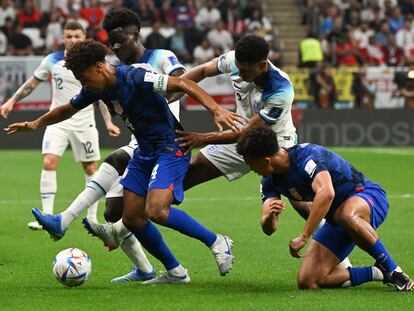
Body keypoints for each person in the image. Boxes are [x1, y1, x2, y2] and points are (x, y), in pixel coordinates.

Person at [83, 34, 350, 270]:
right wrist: (169, 92)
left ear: (263, 66)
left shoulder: (281, 91)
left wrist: (202, 137)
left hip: (274, 145)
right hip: (237, 137)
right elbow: (202, 71)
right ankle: (123, 229)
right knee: (175, 183)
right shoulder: (235, 60)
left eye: (247, 71)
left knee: (301, 200)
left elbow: (249, 133)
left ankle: (338, 247)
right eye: (239, 69)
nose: (241, 74)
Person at [5, 39, 242, 284]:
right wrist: (35, 123)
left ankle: (216, 241)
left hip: (170, 148)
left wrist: (215, 109)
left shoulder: (135, 77)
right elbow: (68, 108)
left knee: (157, 210)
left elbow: (182, 82)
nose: (84, 84)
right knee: (131, 218)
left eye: (84, 77)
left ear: (99, 67)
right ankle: (175, 272)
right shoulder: (95, 88)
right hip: (143, 152)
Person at [29, 8, 190, 283]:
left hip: (164, 138)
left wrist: (160, 90)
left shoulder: (159, 57)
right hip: (141, 138)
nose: (115, 46)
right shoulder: (117, 70)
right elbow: (97, 97)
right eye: (111, 41)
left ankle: (63, 220)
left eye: (119, 39)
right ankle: (144, 268)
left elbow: (182, 80)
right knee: (114, 211)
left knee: (118, 169)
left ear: (135, 35)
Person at [236, 125, 413, 291]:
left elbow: (326, 193)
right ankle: (378, 272)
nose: (250, 168)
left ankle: (394, 271)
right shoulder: (269, 181)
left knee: (346, 215)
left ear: (266, 160)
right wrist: (269, 217)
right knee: (308, 280)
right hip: (338, 220)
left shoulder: (306, 157)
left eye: (250, 162)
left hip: (368, 198)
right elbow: (269, 229)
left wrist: (305, 235)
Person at [0, 21, 120, 230]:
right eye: (69, 36)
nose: (73, 40)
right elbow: (31, 84)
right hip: (58, 122)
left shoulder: (95, 63)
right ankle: (46, 215)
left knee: (91, 167)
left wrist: (108, 122)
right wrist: (12, 101)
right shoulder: (52, 60)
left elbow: (101, 96)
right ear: (62, 38)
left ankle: (91, 218)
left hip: (84, 123)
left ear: (84, 37)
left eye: (77, 36)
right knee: (49, 162)